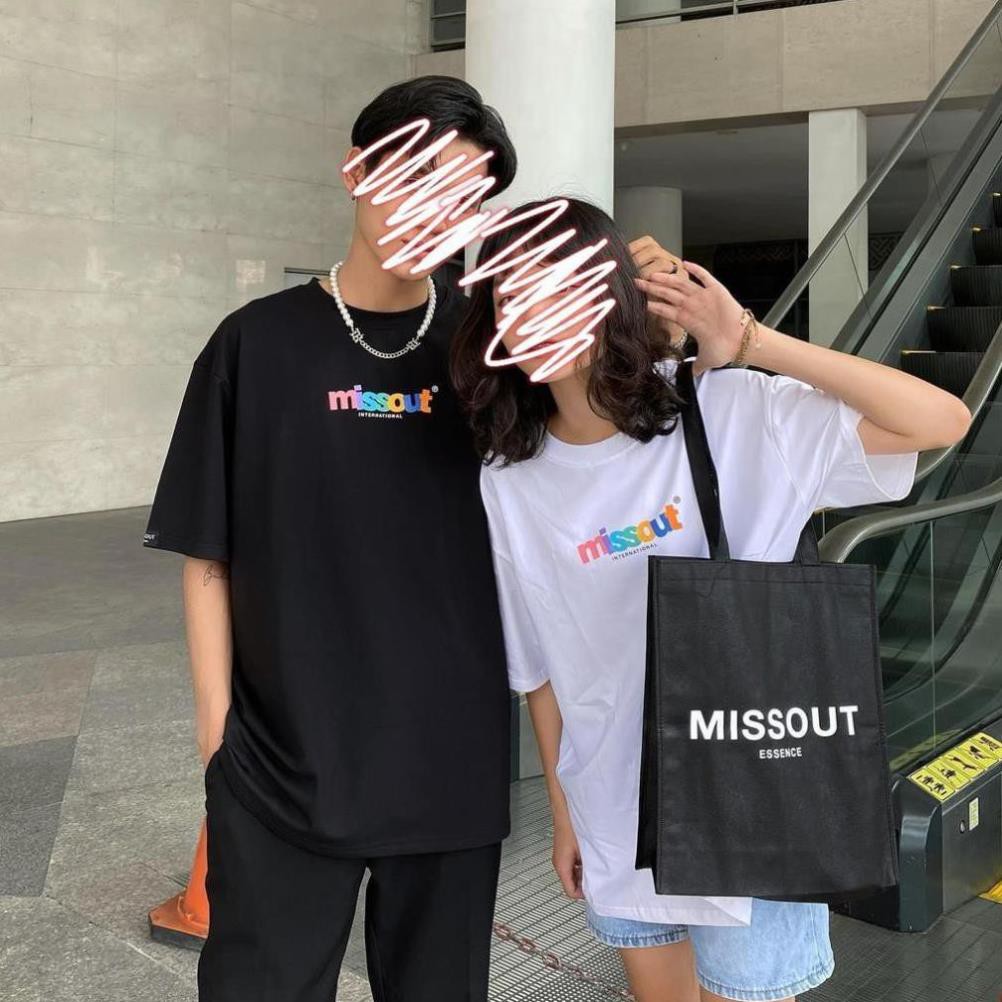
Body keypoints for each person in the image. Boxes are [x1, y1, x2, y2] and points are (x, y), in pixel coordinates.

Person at [449, 197, 972, 1002]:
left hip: (753, 796)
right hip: (615, 808)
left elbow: (940, 421)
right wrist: (563, 811)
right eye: (513, 296)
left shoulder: (724, 410)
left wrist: (752, 343)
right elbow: (542, 668)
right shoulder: (509, 476)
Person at [142, 75, 517, 1002]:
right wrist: (217, 733)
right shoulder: (253, 345)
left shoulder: (492, 353)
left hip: (451, 756)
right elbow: (208, 554)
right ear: (357, 170)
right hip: (281, 758)